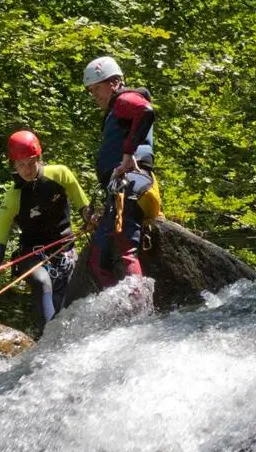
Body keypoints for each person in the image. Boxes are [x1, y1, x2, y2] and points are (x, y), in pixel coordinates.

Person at [0, 130, 90, 334]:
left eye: (30, 162)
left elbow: (84, 207)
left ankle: (60, 343)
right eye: (20, 165)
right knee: (42, 282)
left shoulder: (61, 174)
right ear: (14, 166)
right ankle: (49, 341)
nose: (26, 170)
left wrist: (92, 219)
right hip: (32, 255)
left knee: (67, 309)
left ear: (39, 158)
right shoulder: (12, 199)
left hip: (65, 252)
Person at [80, 55, 163, 291]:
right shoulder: (117, 108)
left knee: (122, 249)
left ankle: (137, 309)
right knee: (99, 255)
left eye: (98, 88)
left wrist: (127, 155)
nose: (94, 95)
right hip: (123, 186)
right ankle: (120, 313)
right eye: (90, 90)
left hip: (131, 183)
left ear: (114, 83)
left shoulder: (125, 99)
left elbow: (145, 112)